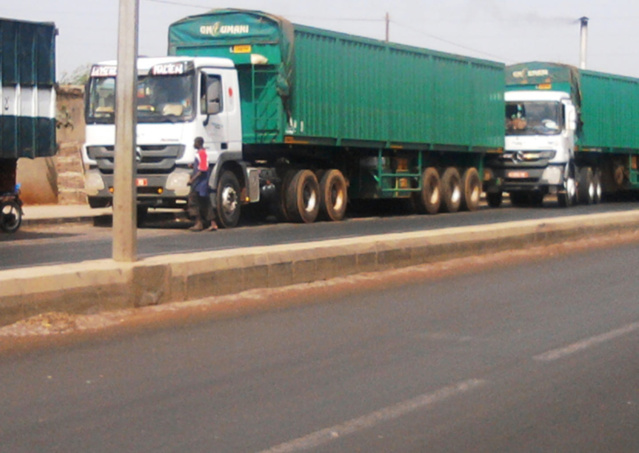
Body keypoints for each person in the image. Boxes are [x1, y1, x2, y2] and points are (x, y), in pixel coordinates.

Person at [188, 137, 217, 231]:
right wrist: (193, 166)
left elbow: (203, 169)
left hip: (200, 183)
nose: (193, 144)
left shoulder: (202, 153)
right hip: (199, 183)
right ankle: (211, 223)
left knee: (195, 201)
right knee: (203, 202)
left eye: (194, 142)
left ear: (198, 143)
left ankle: (199, 223)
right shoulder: (199, 153)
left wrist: (192, 180)